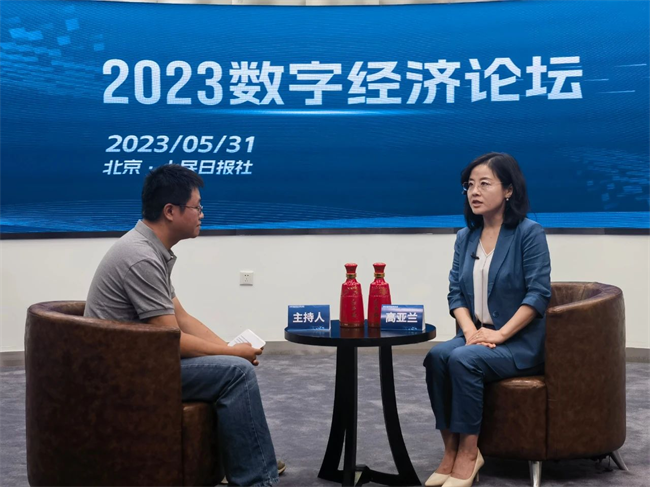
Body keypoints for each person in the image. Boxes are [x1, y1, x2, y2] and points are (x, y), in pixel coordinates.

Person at [84, 164, 284, 487]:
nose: (202, 214)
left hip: (142, 360)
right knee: (237, 373)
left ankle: (251, 461)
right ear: (170, 211)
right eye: (197, 207)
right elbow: (171, 340)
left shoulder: (149, 249)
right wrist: (232, 355)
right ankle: (258, 478)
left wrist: (229, 348)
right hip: (124, 374)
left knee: (232, 365)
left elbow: (182, 318)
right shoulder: (141, 257)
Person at [423, 153, 551, 487]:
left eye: (484, 184)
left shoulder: (529, 233)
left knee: (464, 360)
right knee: (437, 356)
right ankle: (450, 451)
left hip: (518, 342)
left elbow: (538, 295)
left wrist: (500, 334)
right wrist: (470, 331)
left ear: (508, 190)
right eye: (469, 185)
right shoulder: (465, 237)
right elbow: (455, 293)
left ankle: (470, 453)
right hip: (476, 335)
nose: (474, 192)